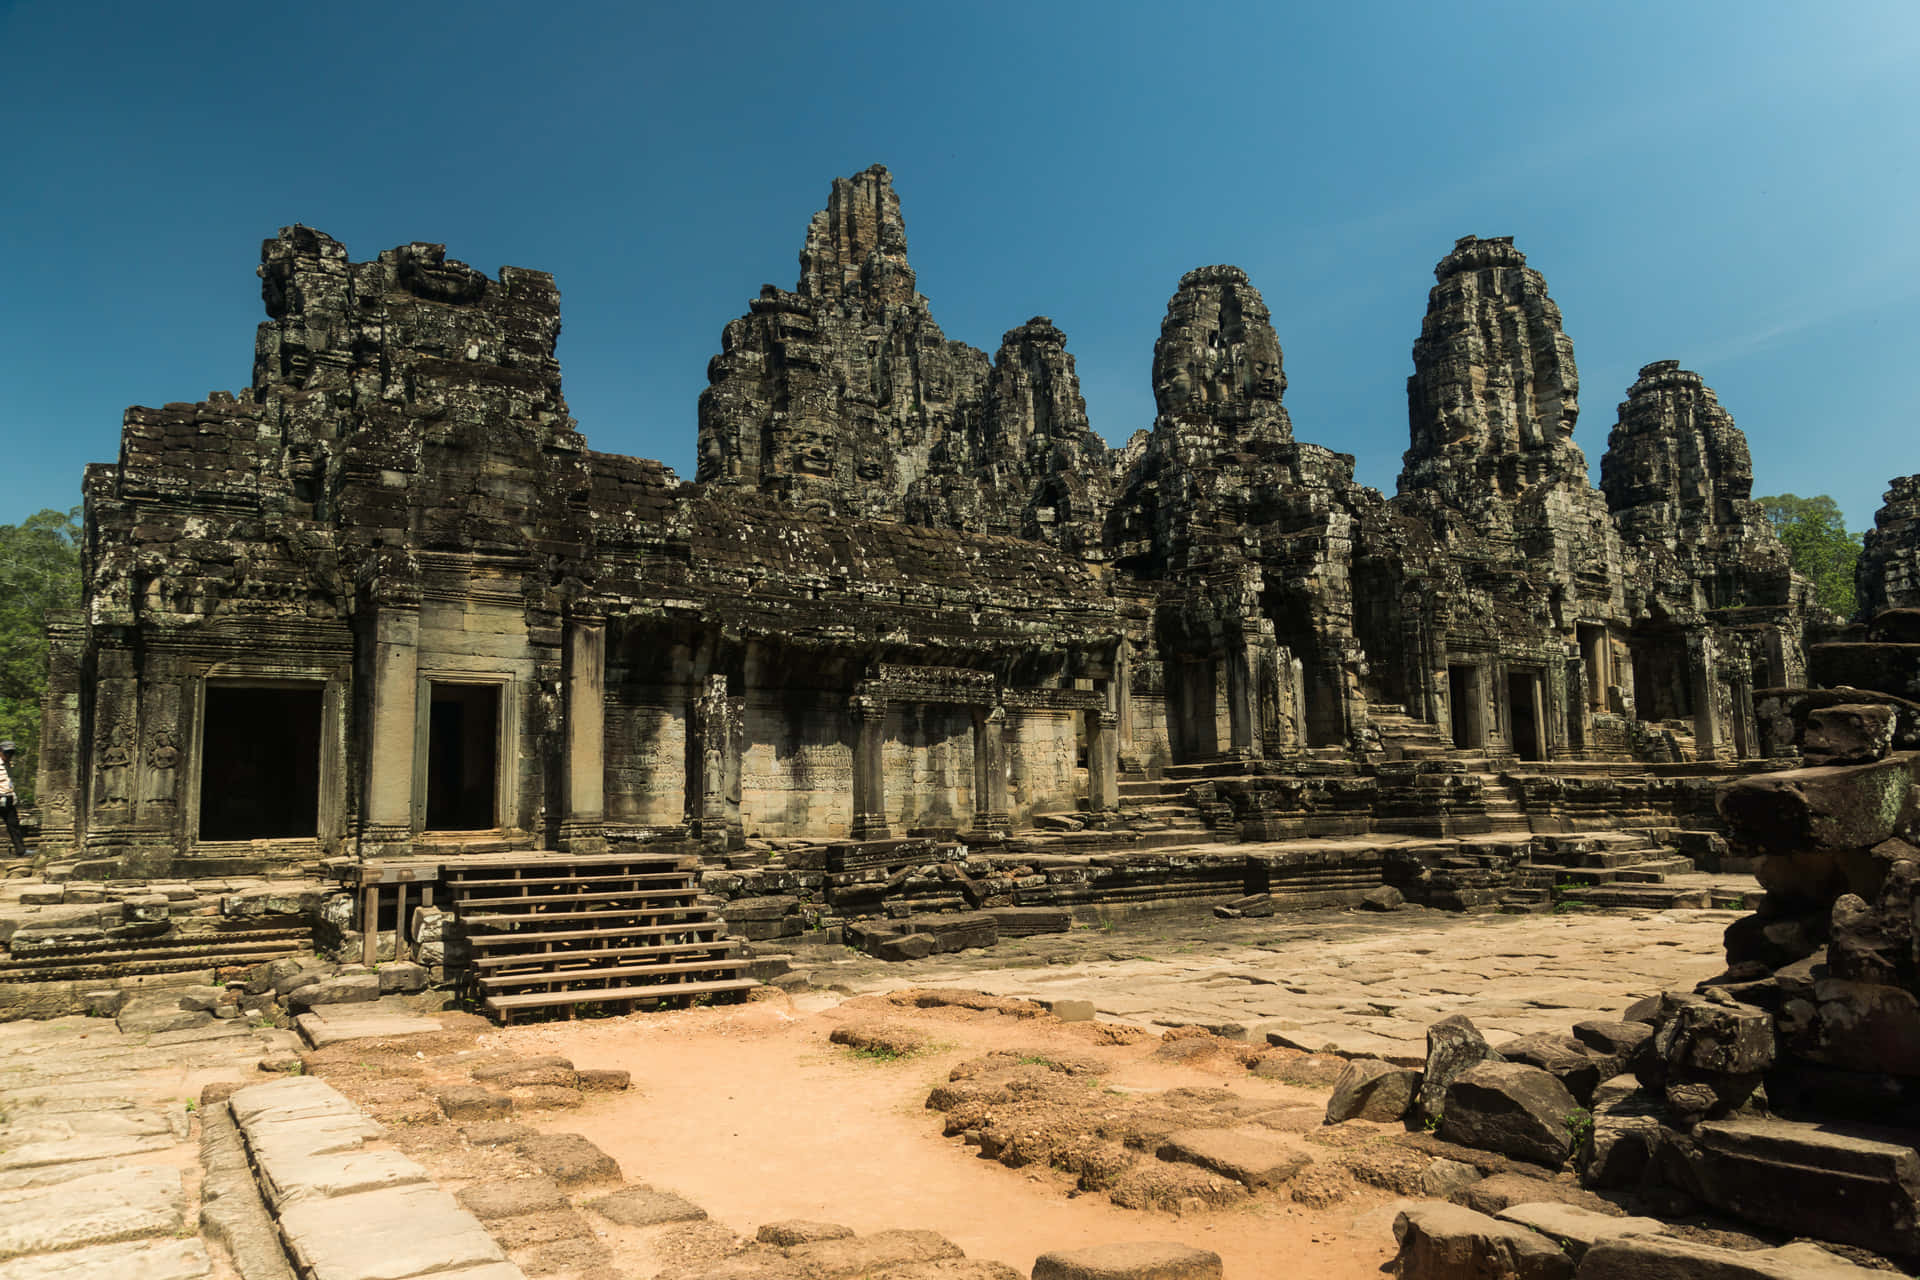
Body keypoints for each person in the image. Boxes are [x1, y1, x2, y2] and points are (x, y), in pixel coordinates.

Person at [0, 742, 24, 860]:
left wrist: (13, 795)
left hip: (8, 797)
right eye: (7, 753)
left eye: (11, 753)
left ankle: (20, 850)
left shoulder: (9, 765)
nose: (9, 755)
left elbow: (9, 782)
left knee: (13, 824)